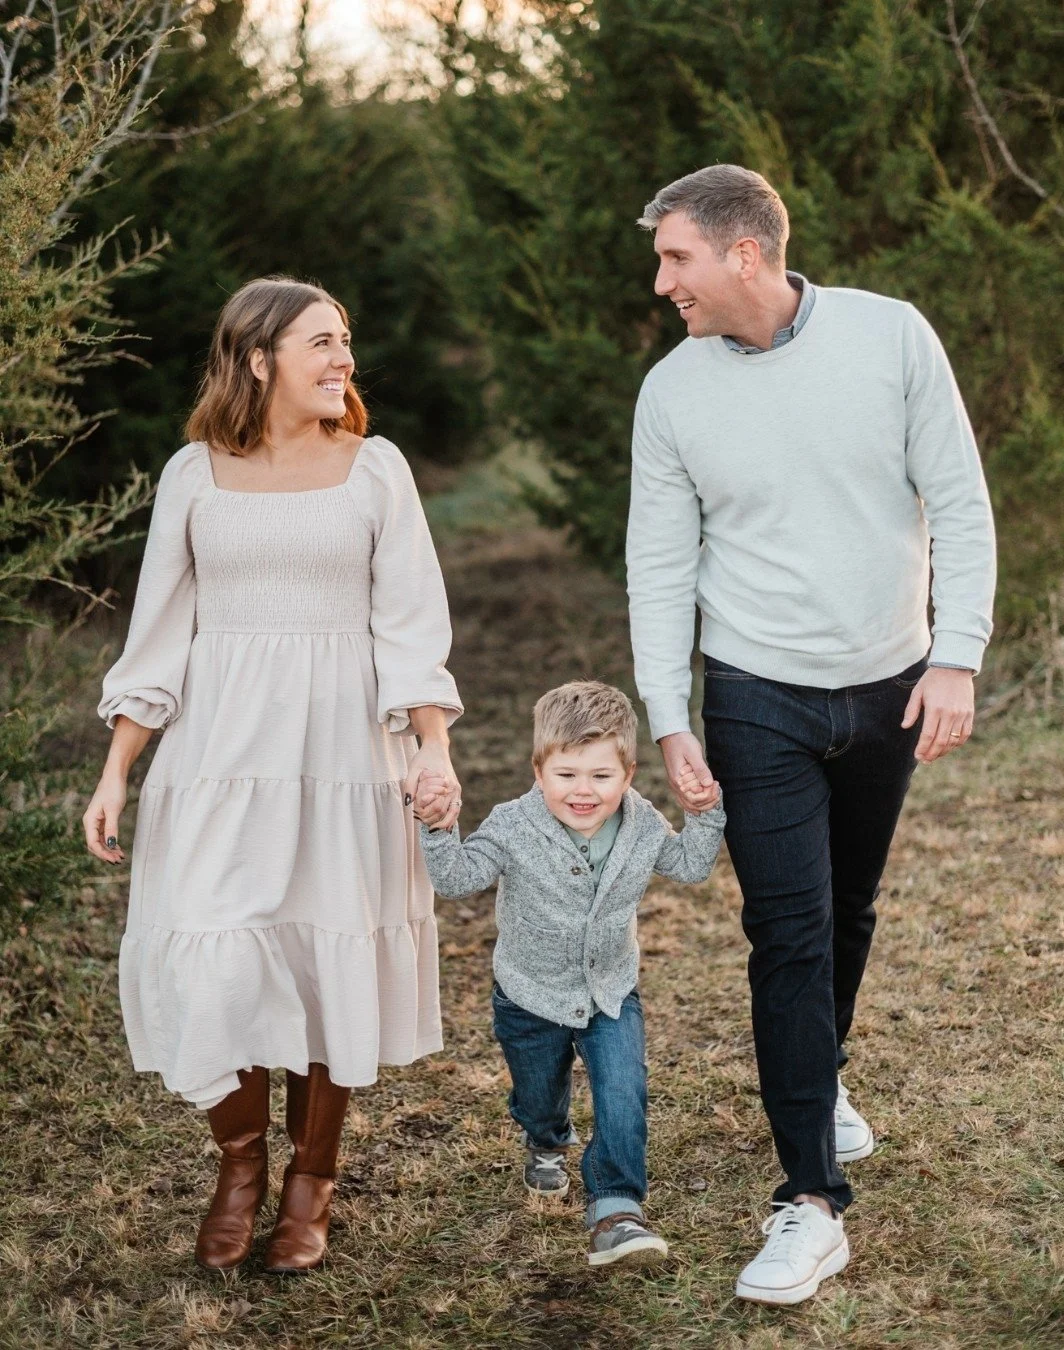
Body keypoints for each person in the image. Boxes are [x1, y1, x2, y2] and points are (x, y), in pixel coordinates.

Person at [626, 165, 996, 1305]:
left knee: (849, 908)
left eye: (676, 258)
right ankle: (811, 1203)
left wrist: (957, 653)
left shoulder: (892, 338)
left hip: (889, 683)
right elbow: (659, 562)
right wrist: (669, 715)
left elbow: (959, 498)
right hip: (755, 692)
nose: (662, 283)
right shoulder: (672, 392)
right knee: (786, 932)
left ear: (745, 253)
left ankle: (817, 1072)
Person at [81, 277, 464, 1274]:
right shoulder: (193, 474)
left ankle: (311, 1184)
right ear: (258, 360)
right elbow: (157, 634)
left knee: (328, 957)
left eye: (345, 340)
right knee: (217, 955)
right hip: (218, 755)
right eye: (320, 343)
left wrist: (434, 750)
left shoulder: (376, 469)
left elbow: (411, 624)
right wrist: (117, 770)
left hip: (345, 752)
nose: (343, 359)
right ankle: (240, 1167)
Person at [413, 680, 726, 1267]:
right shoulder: (512, 825)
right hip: (529, 995)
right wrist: (437, 826)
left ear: (628, 774)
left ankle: (616, 1208)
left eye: (602, 776)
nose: (584, 790)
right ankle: (547, 1139)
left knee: (623, 1090)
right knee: (539, 1096)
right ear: (539, 771)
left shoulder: (640, 824)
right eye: (566, 775)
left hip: (611, 991)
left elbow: (688, 865)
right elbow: (456, 880)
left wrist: (704, 814)